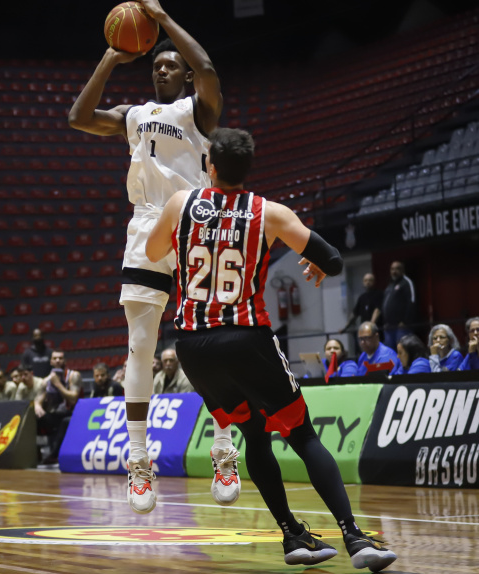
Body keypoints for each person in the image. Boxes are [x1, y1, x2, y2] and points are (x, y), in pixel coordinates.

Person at [145, 127, 396, 570]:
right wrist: (316, 266)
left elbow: (152, 250)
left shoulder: (180, 204)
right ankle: (355, 537)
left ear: (211, 166)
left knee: (252, 434)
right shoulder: (270, 213)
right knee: (302, 434)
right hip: (246, 338)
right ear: (248, 169)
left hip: (192, 345)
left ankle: (292, 537)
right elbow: (333, 259)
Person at [68, 0, 235, 514]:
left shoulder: (198, 110)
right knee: (140, 346)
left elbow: (206, 64)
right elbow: (78, 116)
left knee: (210, 343)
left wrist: (162, 19)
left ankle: (224, 447)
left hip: (193, 224)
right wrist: (112, 56)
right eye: (156, 65)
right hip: (145, 228)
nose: (160, 72)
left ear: (183, 77)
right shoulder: (135, 114)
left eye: (169, 66)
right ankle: (139, 461)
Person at [34, 350, 83, 465]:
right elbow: (38, 398)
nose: (57, 361)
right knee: (34, 419)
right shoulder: (46, 380)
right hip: (55, 413)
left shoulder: (73, 376)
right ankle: (36, 454)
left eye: (60, 358)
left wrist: (58, 384)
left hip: (73, 413)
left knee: (65, 422)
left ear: (65, 361)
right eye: (55, 358)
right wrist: (37, 406)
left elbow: (73, 399)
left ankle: (53, 455)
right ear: (51, 361)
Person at [382, 261, 415, 349]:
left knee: (403, 351)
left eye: (397, 269)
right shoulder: (390, 285)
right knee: (389, 353)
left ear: (402, 270)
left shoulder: (406, 282)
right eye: (392, 269)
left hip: (401, 327)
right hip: (389, 327)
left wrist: (405, 321)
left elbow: (412, 301)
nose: (394, 271)